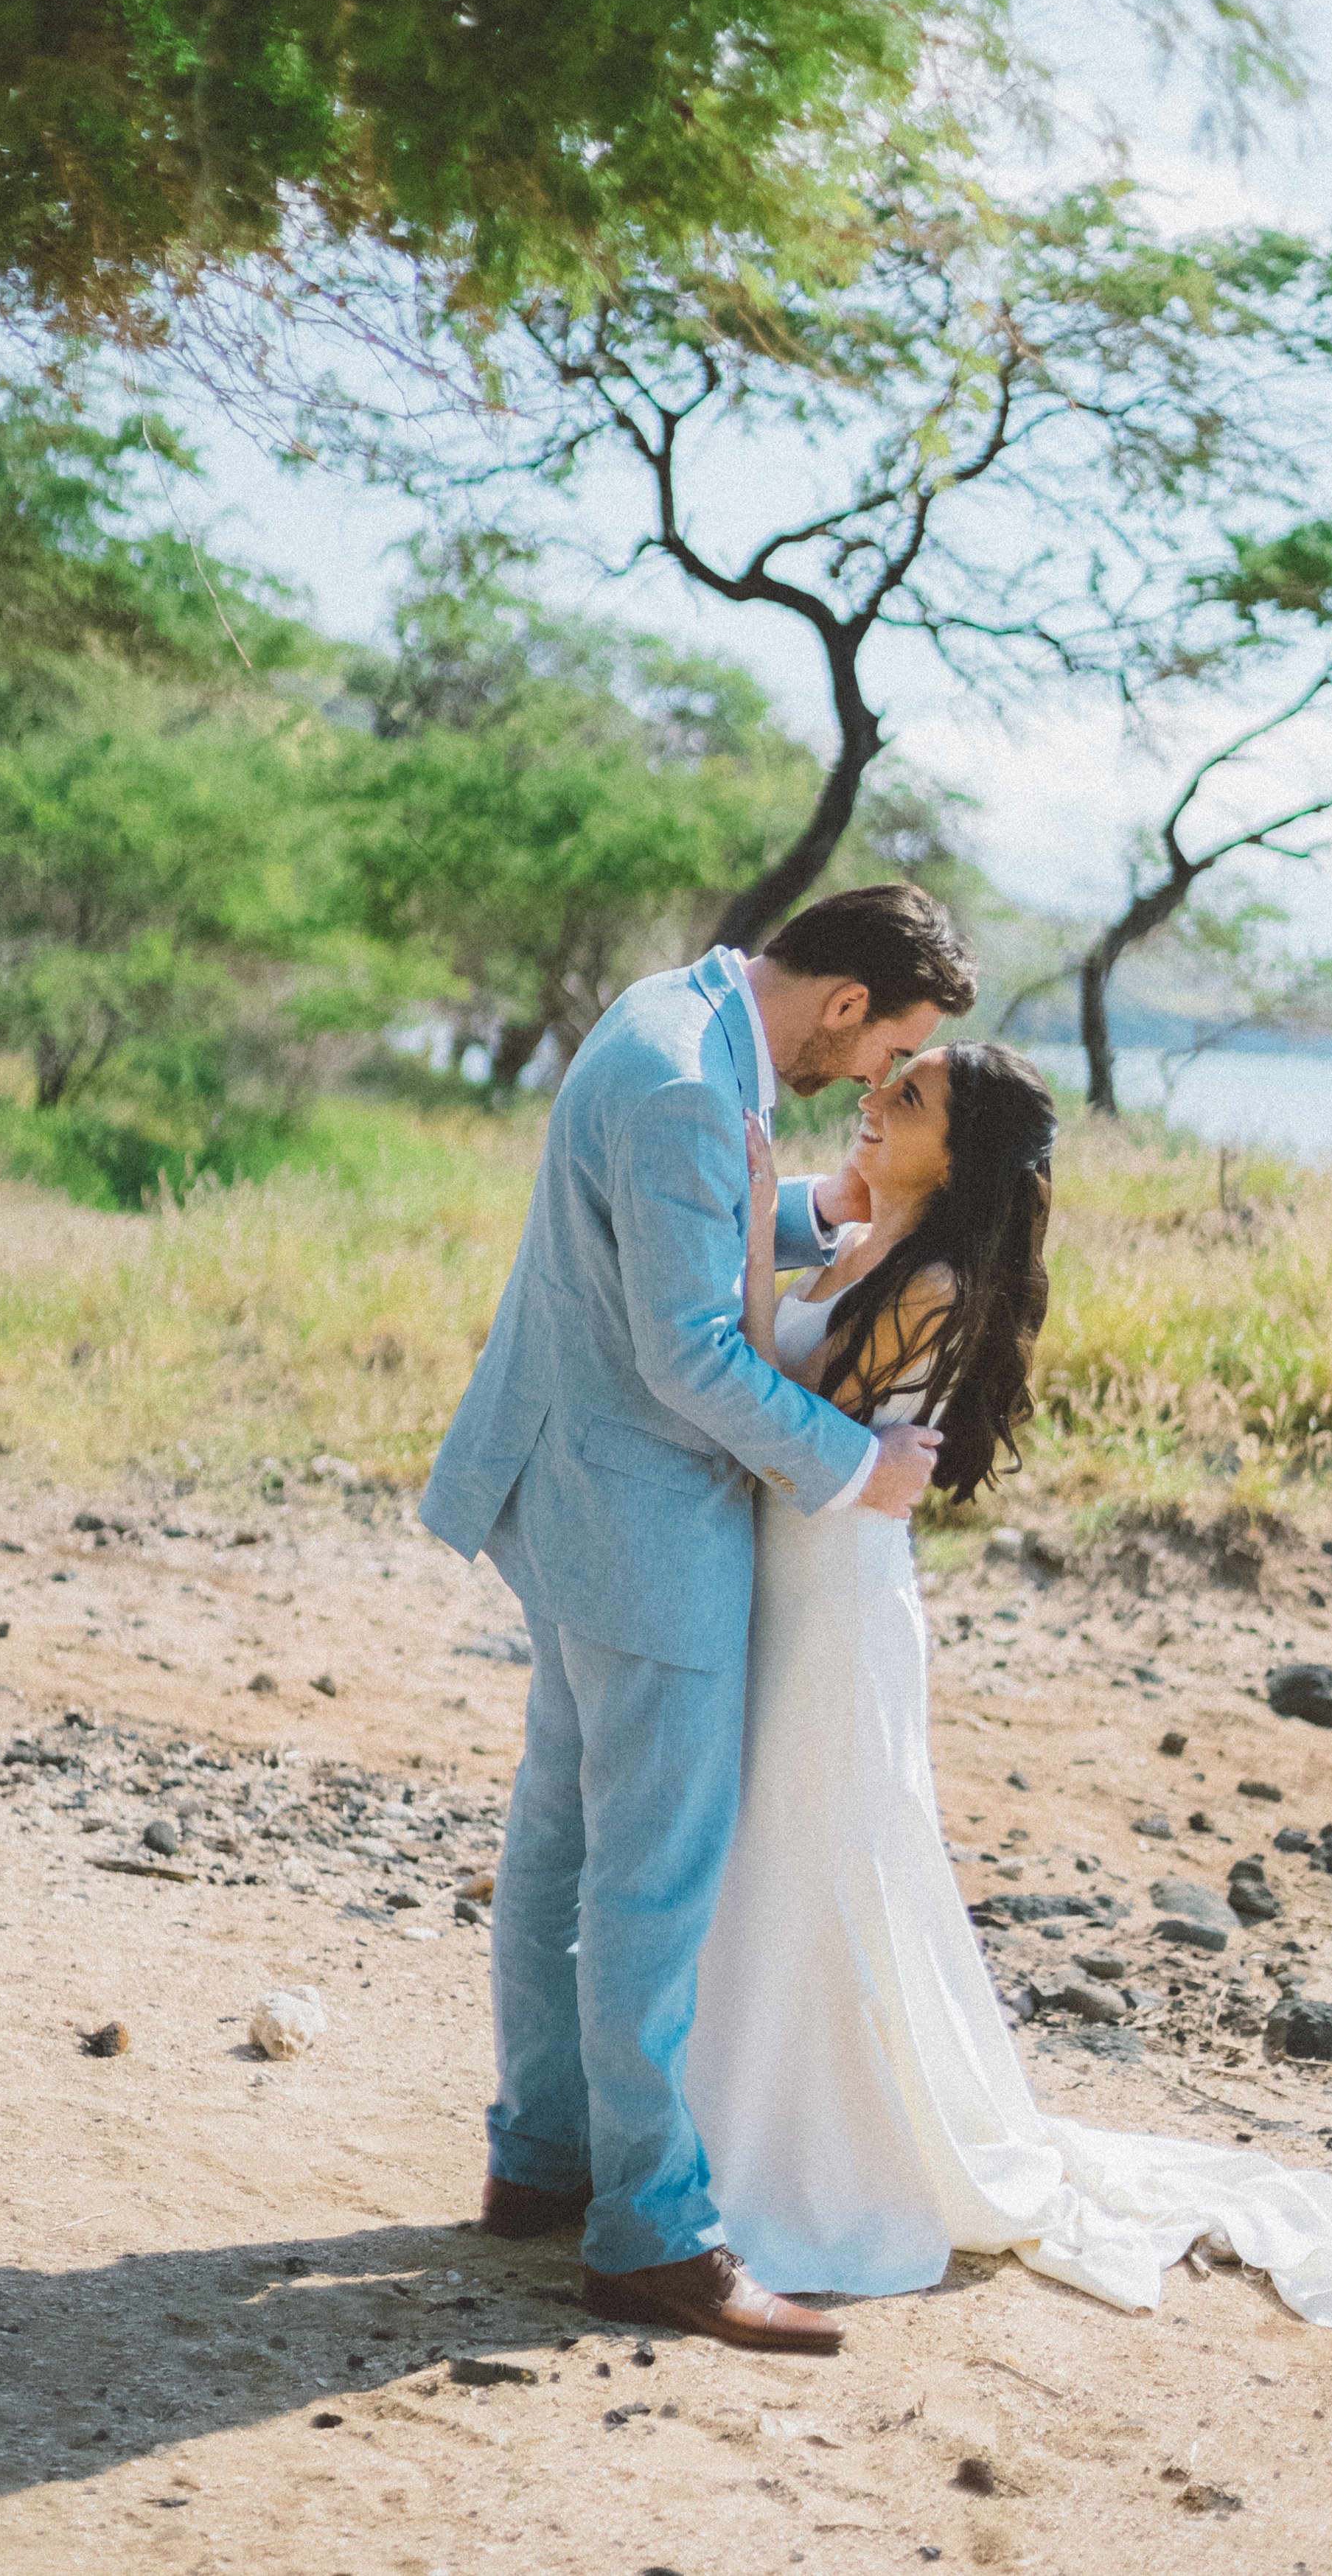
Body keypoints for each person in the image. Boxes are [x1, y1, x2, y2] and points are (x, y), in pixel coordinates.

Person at [684, 1038, 1332, 2334]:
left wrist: (757, 1226)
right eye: (883, 1084)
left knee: (808, 1850)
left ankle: (798, 2166)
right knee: (757, 1849)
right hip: (782, 1578)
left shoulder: (933, 1276)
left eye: (911, 1096)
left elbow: (784, 1413)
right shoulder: (873, 1239)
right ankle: (719, 2132)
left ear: (964, 1149)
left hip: (835, 1598)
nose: (874, 1102)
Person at [419, 884, 978, 2351]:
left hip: (565, 1487)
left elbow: (662, 1232)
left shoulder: (669, 1013)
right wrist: (858, 1466)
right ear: (850, 1001)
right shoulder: (685, 1077)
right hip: (634, 1515)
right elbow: (682, 1354)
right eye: (888, 1053)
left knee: (560, 1837)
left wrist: (809, 1214)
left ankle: (540, 2161)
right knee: (650, 1880)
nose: (870, 1084)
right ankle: (652, 2236)